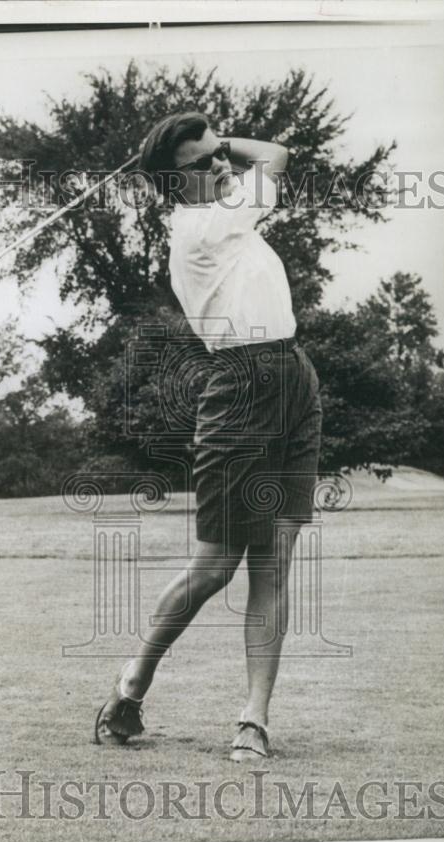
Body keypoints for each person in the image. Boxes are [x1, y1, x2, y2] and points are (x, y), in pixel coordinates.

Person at [94, 112, 323, 762]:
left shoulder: (225, 215)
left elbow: (266, 157)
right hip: (241, 388)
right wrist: (213, 153)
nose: (224, 167)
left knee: (273, 563)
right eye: (204, 163)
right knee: (216, 567)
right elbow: (276, 154)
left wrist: (207, 146)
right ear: (172, 181)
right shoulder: (201, 228)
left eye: (223, 155)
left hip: (294, 380)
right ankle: (131, 687)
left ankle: (254, 719)